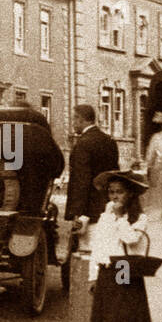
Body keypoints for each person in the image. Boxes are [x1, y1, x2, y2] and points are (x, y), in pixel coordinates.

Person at [87, 169, 156, 322]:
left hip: (124, 267)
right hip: (107, 270)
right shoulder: (106, 215)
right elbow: (98, 244)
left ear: (130, 194)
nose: (115, 196)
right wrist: (93, 276)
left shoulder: (139, 217)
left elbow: (131, 239)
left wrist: (120, 218)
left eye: (120, 192)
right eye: (111, 192)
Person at [65, 103, 120, 249]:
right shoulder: (109, 141)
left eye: (73, 120)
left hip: (88, 210)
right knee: (106, 246)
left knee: (86, 248)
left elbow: (81, 181)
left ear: (81, 119)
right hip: (107, 205)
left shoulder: (83, 144)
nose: (73, 124)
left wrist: (77, 213)